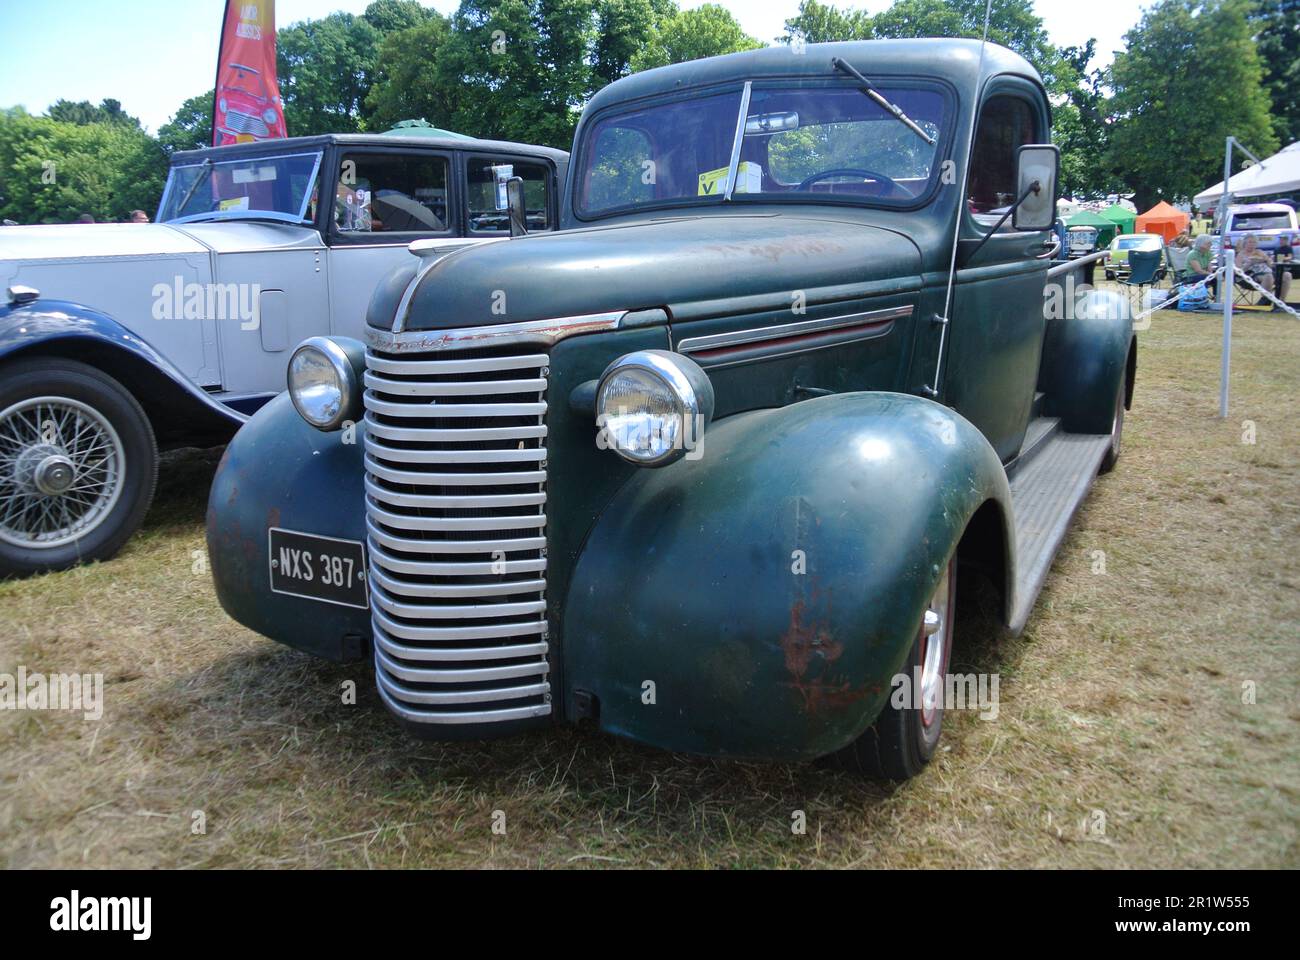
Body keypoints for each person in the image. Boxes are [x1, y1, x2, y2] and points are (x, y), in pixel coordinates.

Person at [1238, 233, 1291, 308]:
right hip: (1251, 276)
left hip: (1269, 272)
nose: (1252, 244)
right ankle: (1266, 300)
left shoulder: (1260, 252)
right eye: (1250, 242)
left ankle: (1281, 301)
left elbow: (1271, 265)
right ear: (1244, 243)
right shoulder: (1241, 255)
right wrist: (1249, 264)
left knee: (1287, 275)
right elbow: (1238, 271)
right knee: (1268, 276)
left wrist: (1267, 260)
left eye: (1254, 242)